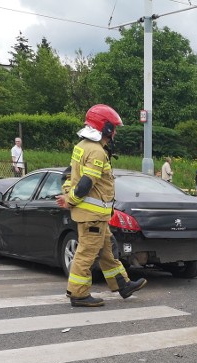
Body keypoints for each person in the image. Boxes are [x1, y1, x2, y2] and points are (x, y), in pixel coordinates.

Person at [56, 104, 146, 308]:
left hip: (95, 216)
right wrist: (70, 200)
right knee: (86, 254)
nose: (114, 132)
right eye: (113, 128)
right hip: (92, 216)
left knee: (108, 251)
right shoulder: (97, 152)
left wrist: (67, 194)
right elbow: (87, 183)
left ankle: (122, 284)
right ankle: (78, 294)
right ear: (105, 128)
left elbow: (68, 175)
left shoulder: (81, 146)